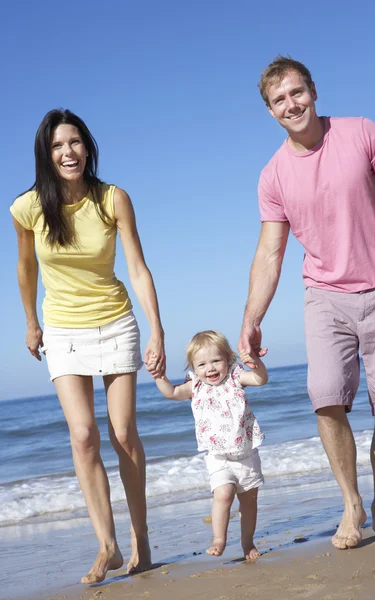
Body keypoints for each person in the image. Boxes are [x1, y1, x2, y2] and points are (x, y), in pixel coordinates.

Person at [238, 56, 375, 550]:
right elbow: (270, 252)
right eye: (279, 99)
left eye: (297, 92)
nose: (292, 104)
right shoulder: (274, 176)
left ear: (313, 91)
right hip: (325, 295)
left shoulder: (361, 132)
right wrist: (251, 318)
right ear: (270, 111)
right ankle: (351, 503)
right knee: (326, 395)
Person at [10, 109, 166, 584]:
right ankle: (108, 546)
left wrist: (156, 328)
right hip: (62, 330)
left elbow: (137, 266)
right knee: (83, 436)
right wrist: (31, 322)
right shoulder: (28, 208)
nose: (68, 152)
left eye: (74, 142)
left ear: (87, 146)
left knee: (123, 435)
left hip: (115, 322)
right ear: (46, 154)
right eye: (58, 146)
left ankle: (140, 538)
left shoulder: (112, 199)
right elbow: (25, 269)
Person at [152, 330, 268, 559]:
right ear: (194, 368)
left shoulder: (236, 377)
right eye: (202, 364)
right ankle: (219, 539)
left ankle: (247, 542)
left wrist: (256, 362)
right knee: (223, 494)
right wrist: (158, 375)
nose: (210, 369)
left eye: (216, 361)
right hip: (217, 456)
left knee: (249, 503)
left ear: (228, 359)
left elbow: (260, 379)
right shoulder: (195, 386)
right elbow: (172, 392)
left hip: (246, 453)